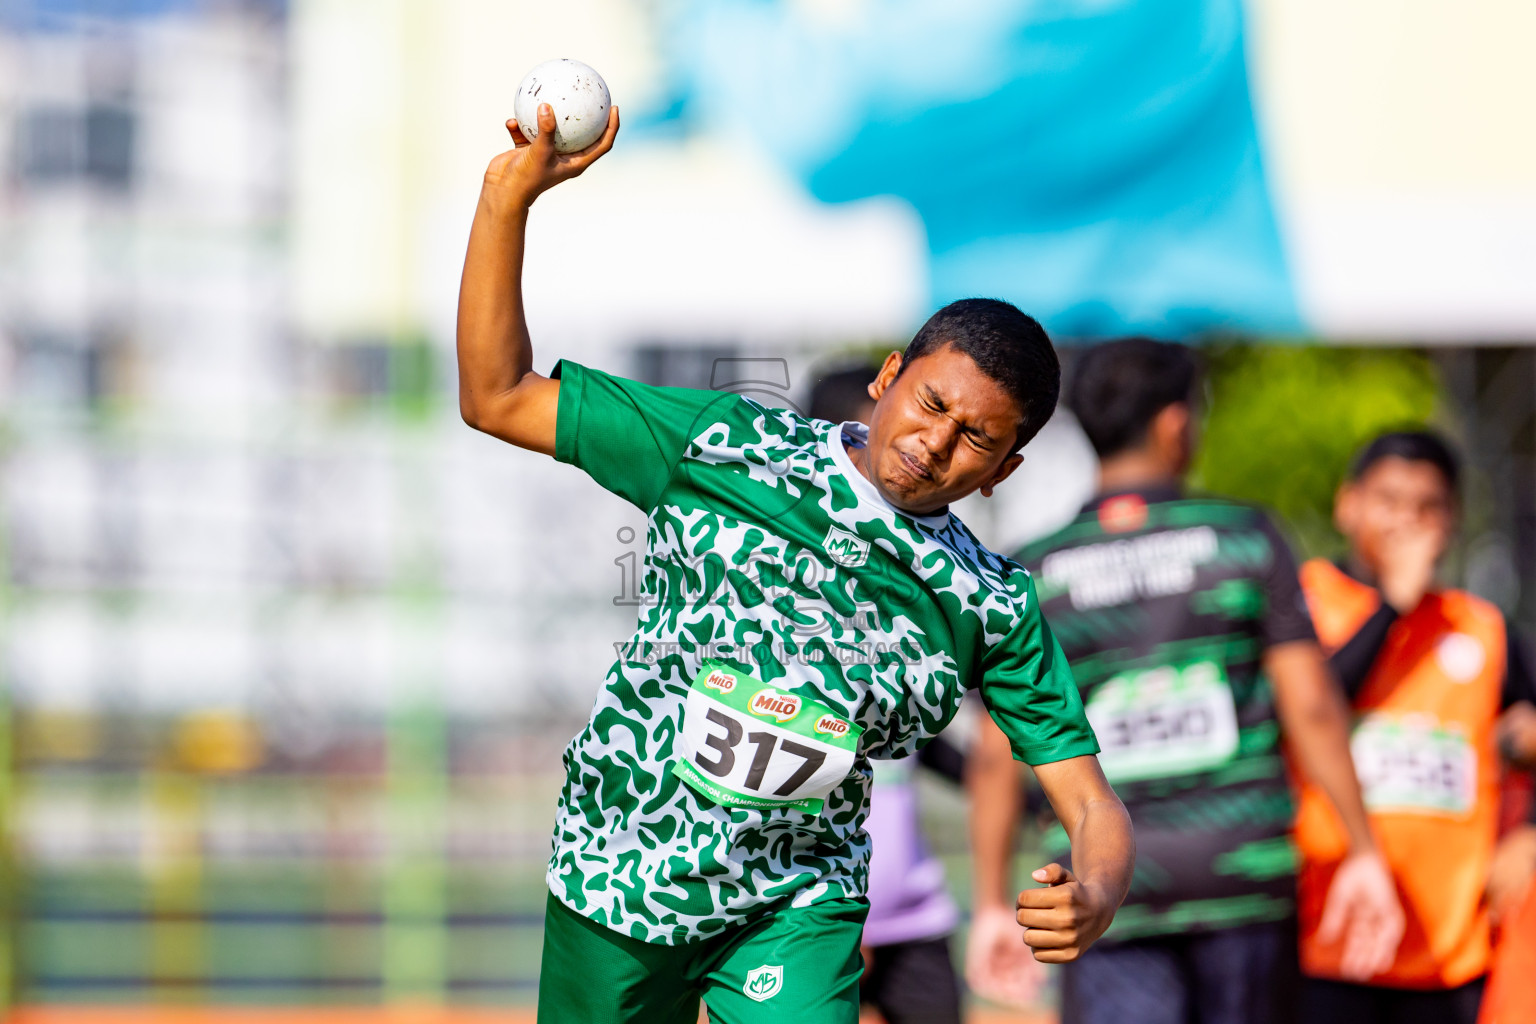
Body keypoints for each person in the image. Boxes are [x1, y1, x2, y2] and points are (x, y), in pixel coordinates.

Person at [456, 102, 1135, 1024]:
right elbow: (497, 397)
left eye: (976, 437)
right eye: (931, 403)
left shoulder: (990, 603)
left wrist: (1094, 890)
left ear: (1003, 472)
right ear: (889, 375)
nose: (936, 443)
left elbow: (1089, 802)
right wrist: (507, 202)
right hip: (618, 867)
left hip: (795, 902)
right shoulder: (728, 445)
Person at [967, 338, 1403, 1024]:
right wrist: (1363, 849)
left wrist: (992, 902)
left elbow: (996, 755)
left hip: (1104, 890)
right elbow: (1311, 706)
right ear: (1176, 424)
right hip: (1241, 874)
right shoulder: (1243, 540)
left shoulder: (1031, 573)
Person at [1293, 430, 1536, 1024]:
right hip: (1325, 940)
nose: (1407, 521)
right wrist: (1392, 607)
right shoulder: (1303, 606)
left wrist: (1529, 831)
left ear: (1451, 519)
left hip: (1449, 951)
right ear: (1347, 504)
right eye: (1390, 500)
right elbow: (1309, 709)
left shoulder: (1482, 627)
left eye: (1427, 506)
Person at [808, 364, 968, 1024]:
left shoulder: (914, 601)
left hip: (914, 917)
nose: (922, 452)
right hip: (810, 907)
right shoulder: (788, 605)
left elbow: (927, 750)